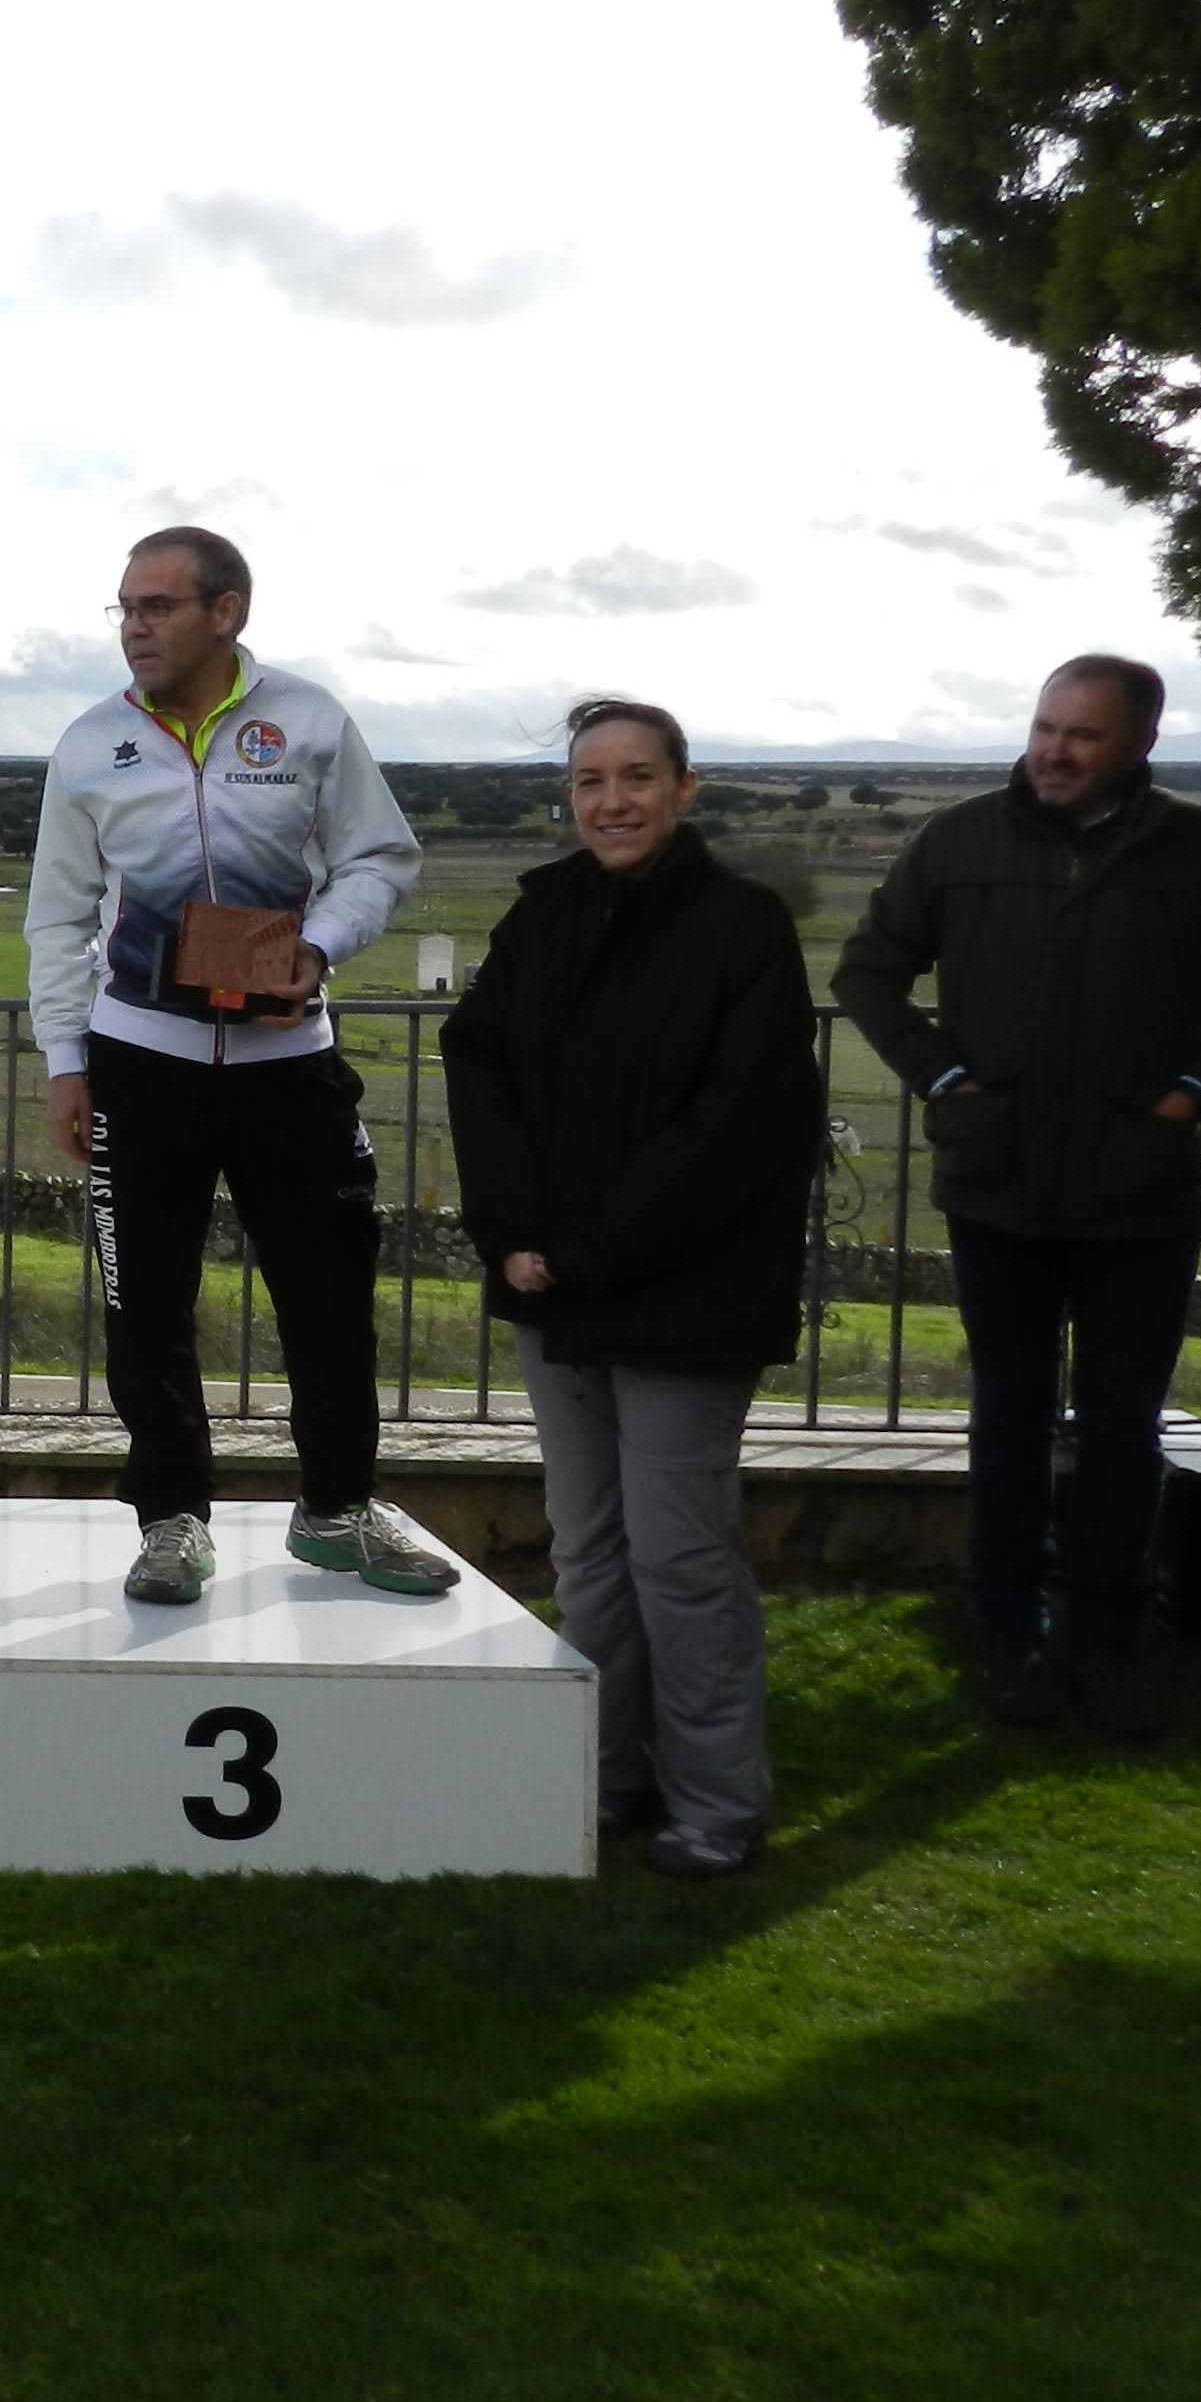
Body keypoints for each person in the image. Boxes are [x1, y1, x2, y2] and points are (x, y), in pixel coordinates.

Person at [835, 654, 1201, 1738]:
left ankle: (1103, 1645)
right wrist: (945, 1078)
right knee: (1006, 1418)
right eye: (1043, 727)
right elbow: (866, 970)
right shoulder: (959, 842)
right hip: (994, 1182)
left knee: (1119, 1428)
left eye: (1082, 735)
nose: (1052, 751)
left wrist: (1197, 1094)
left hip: (1140, 1194)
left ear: (1138, 743)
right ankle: (1006, 1635)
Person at [439, 700, 825, 1879]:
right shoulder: (542, 913)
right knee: (590, 1552)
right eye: (589, 780)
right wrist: (511, 1234)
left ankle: (715, 1809)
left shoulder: (742, 927)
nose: (610, 801)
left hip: (683, 1298)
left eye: (637, 777)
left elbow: (741, 1122)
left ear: (684, 789)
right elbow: (479, 1062)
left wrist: (586, 1246)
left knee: (679, 1557)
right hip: (553, 1283)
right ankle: (604, 1775)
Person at [24, 525, 442, 1603]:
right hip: (139, 1064)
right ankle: (170, 1519)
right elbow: (57, 917)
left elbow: (379, 855)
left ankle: (339, 1510)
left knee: (328, 1295)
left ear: (227, 612)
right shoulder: (86, 744)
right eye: (123, 608)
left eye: (157, 606)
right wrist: (67, 1060)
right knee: (146, 1306)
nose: (133, 627)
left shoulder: (307, 721)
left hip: (287, 1065)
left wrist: (319, 947)